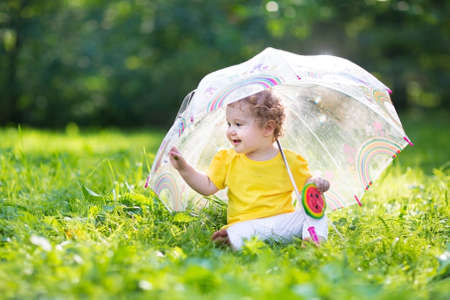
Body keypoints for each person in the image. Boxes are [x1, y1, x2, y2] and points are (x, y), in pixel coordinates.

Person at [168, 89, 330, 250]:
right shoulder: (228, 159)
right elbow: (207, 186)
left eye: (238, 124)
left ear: (268, 128)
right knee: (240, 231)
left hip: (283, 223)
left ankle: (312, 241)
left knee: (314, 213)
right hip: (247, 225)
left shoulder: (290, 161)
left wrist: (316, 182)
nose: (231, 130)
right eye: (229, 124)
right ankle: (231, 239)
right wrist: (184, 169)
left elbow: (309, 188)